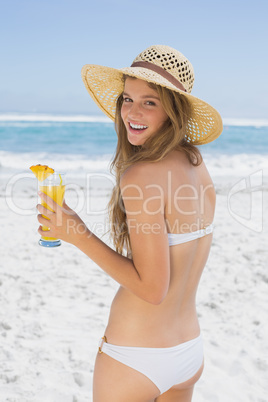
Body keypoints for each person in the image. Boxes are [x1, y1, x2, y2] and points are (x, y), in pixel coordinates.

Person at [37, 45, 223, 401]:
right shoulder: (195, 163)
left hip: (137, 358)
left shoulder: (141, 176)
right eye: (127, 99)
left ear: (172, 110)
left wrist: (76, 233)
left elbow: (153, 288)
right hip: (188, 351)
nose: (131, 112)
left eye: (149, 102)